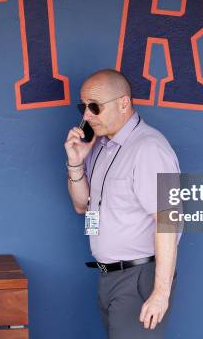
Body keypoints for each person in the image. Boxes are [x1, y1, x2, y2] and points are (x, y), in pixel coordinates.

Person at [64, 69, 180, 338]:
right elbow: (82, 206)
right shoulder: (102, 146)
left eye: (94, 107)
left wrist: (161, 293)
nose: (86, 116)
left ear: (124, 103)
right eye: (83, 107)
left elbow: (167, 219)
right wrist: (75, 162)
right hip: (110, 277)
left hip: (139, 277)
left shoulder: (148, 148)